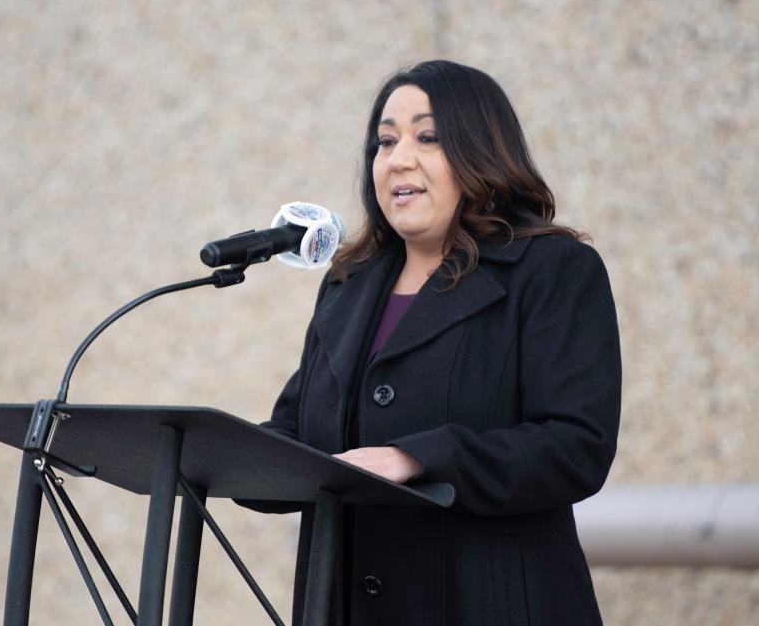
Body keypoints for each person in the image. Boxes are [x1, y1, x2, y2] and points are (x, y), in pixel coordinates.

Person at [244, 60, 621, 626]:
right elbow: (299, 432)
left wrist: (418, 458)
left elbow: (575, 447)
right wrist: (211, 454)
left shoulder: (553, 270)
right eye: (385, 141)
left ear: (480, 151)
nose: (398, 158)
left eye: (428, 137)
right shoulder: (348, 285)